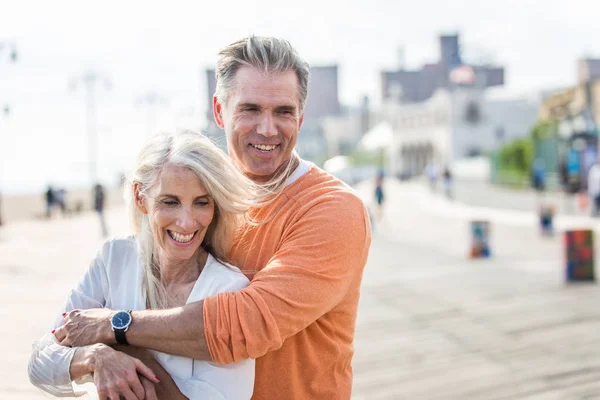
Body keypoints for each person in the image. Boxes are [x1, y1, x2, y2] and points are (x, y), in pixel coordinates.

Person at [54, 35, 371, 400]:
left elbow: (247, 326)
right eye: (250, 109)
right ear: (219, 110)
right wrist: (99, 354)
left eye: (283, 111)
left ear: (300, 115)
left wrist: (114, 326)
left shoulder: (332, 209)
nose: (267, 128)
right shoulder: (201, 204)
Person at [29, 131, 256, 399]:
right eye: (170, 202)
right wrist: (96, 356)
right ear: (140, 197)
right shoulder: (114, 257)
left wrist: (123, 347)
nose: (186, 222)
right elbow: (40, 361)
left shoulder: (229, 287)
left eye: (201, 203)